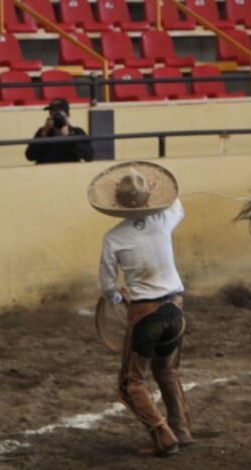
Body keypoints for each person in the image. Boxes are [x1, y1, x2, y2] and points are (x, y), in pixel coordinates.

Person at [91, 161, 191, 457]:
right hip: (175, 310)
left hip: (145, 315)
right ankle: (182, 430)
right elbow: (178, 206)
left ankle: (164, 437)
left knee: (130, 383)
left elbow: (108, 285)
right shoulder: (164, 218)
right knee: (167, 370)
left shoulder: (114, 238)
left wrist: (117, 298)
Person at [25, 98, 93, 164]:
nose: (55, 118)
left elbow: (89, 156)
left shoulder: (77, 132)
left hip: (70, 173)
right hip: (45, 173)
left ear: (68, 115)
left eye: (58, 115)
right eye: (51, 114)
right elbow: (30, 156)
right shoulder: (43, 132)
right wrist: (43, 134)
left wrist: (68, 137)